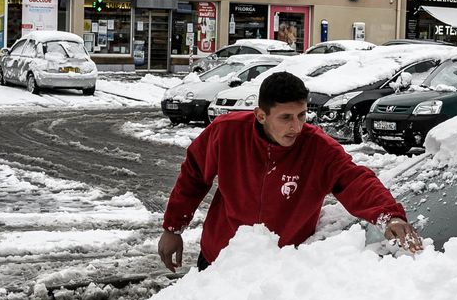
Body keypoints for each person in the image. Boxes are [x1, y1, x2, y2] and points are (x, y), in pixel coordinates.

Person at [158, 70, 422, 271]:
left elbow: (354, 180)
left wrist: (389, 216)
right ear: (261, 115)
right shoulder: (226, 133)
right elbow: (193, 176)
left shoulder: (316, 147)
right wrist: (172, 228)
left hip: (281, 269)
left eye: (302, 115)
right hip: (221, 259)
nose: (296, 127)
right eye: (286, 118)